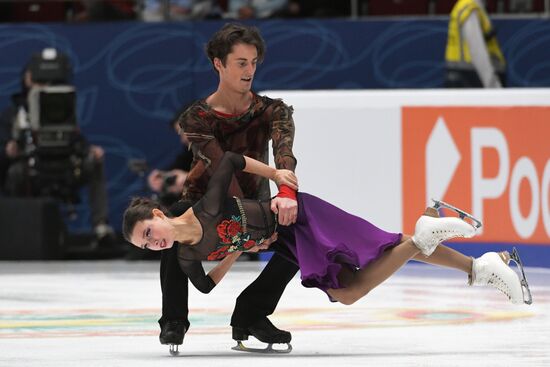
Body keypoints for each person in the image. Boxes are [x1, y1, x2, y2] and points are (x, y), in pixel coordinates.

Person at [123, 152, 529, 320]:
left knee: (371, 262)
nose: (153, 242)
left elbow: (230, 160)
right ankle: (473, 260)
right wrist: (236, 250)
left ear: (158, 213)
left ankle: (462, 255)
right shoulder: (186, 258)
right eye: (145, 245)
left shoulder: (205, 206)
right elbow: (206, 288)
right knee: (372, 263)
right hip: (286, 243)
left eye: (148, 231)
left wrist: (277, 176)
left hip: (298, 217)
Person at [155, 23, 300, 352]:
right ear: (218, 64)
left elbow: (284, 154)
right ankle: (174, 319)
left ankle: (251, 311)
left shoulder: (272, 110)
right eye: (240, 63)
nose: (249, 71)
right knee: (173, 222)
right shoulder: (197, 118)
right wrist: (245, 230)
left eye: (253, 62)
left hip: (255, 203)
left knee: (301, 233)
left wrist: (286, 195)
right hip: (201, 204)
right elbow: (223, 167)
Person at [0, 50, 115, 242]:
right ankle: (14, 231)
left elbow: (75, 137)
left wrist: (90, 150)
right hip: (30, 166)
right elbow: (5, 147)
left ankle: (100, 225)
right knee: (14, 173)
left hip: (66, 164)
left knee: (94, 161)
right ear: (27, 78)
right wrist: (9, 150)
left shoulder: (63, 103)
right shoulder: (14, 112)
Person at [444, 0, 506, 88]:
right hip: (472, 77)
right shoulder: (470, 9)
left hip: (463, 74)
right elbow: (477, 50)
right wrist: (492, 84)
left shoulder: (465, 6)